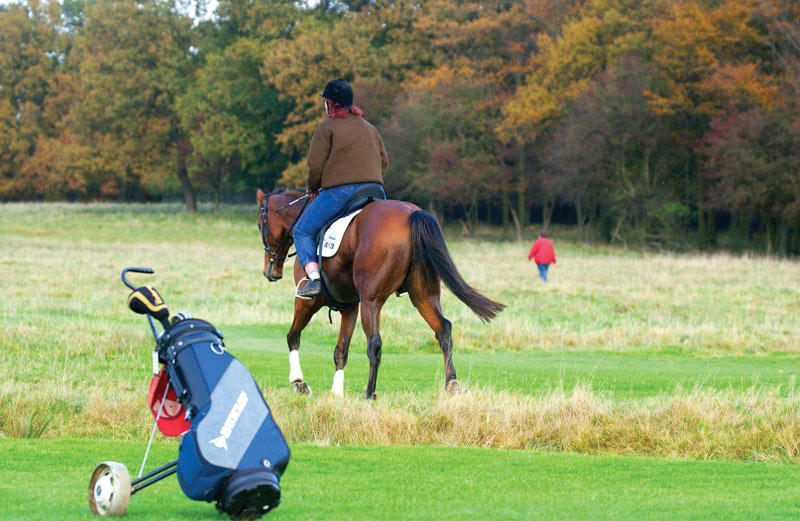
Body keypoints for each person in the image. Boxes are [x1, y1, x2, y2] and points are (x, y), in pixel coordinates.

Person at [293, 78, 389, 298]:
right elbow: (385, 162)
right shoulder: (371, 128)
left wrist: (313, 187)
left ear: (331, 104)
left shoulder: (326, 128)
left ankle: (314, 280)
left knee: (302, 230)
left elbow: (315, 165)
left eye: (325, 102)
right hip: (375, 193)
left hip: (341, 194)